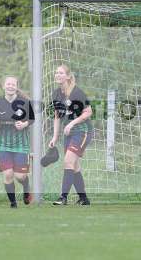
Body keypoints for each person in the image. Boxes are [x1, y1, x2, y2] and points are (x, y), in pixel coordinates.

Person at [0, 76, 34, 208]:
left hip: (21, 145)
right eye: (8, 84)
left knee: (20, 176)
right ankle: (13, 203)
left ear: (16, 86)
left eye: (13, 84)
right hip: (4, 146)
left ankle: (26, 188)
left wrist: (24, 124)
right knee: (8, 175)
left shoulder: (24, 102)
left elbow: (31, 119)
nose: (10, 86)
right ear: (3, 86)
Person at [49, 64, 93, 206]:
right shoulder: (56, 94)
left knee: (68, 161)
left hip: (82, 131)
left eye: (61, 73)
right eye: (56, 73)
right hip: (69, 133)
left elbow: (88, 112)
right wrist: (55, 137)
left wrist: (72, 123)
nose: (58, 75)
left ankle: (63, 197)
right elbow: (57, 116)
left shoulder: (77, 92)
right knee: (74, 166)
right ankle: (84, 199)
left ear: (68, 76)